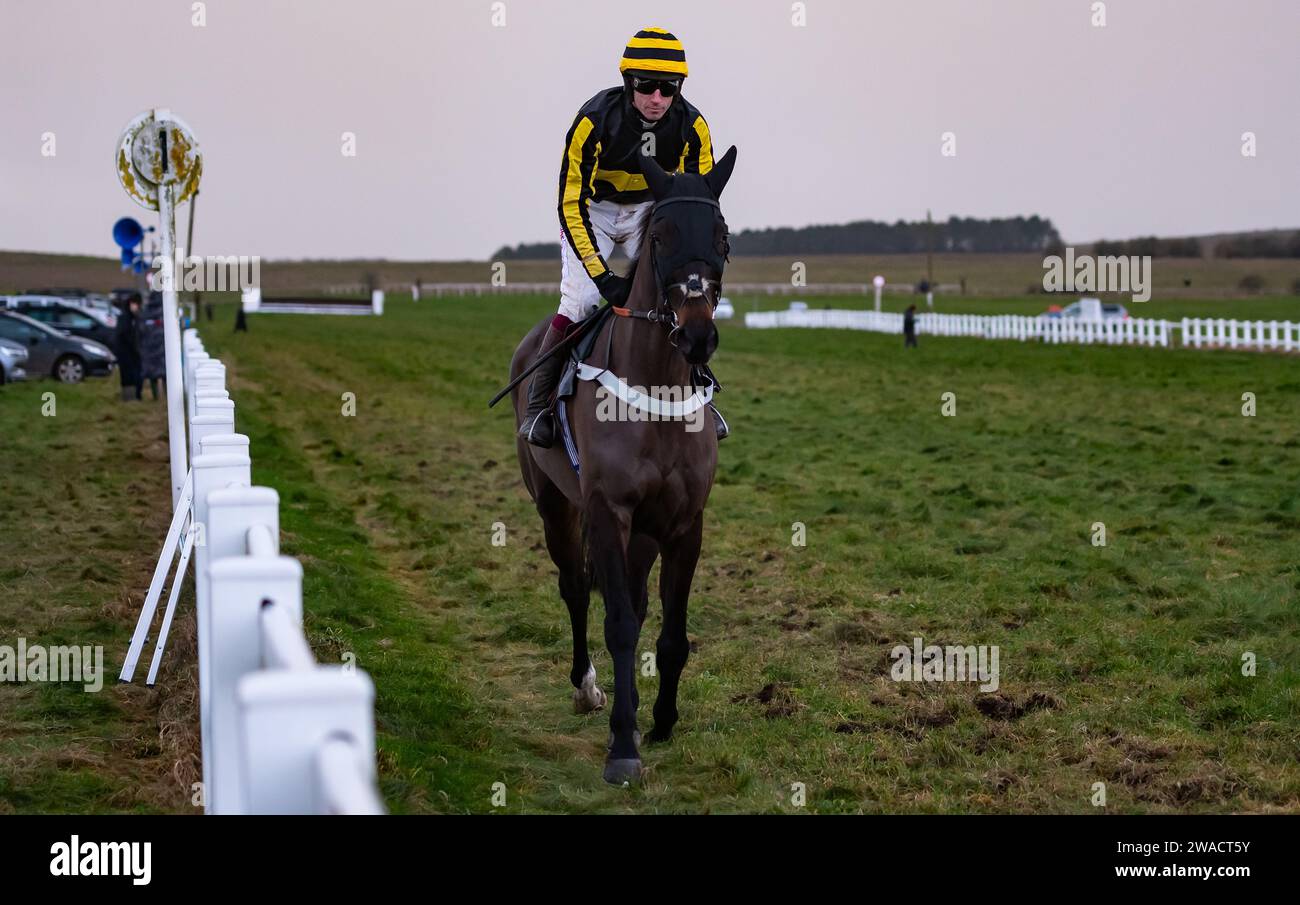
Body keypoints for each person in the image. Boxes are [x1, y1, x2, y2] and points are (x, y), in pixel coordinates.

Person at [518, 27, 729, 448]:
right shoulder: (593, 121)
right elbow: (570, 204)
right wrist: (603, 277)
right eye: (646, 86)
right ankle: (539, 406)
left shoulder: (694, 127)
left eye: (668, 89)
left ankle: (700, 385)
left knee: (680, 296)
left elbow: (696, 203)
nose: (657, 99)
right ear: (628, 82)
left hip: (649, 211)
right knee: (580, 301)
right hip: (592, 209)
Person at [113, 294, 143, 401]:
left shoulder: (132, 317)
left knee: (134, 374)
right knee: (129, 375)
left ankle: (134, 396)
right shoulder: (126, 318)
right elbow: (125, 335)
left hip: (132, 352)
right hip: (126, 353)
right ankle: (130, 397)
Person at [139, 290, 167, 399]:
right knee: (167, 374)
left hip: (149, 349)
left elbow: (141, 330)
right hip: (164, 349)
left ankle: (156, 397)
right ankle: (168, 396)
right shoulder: (165, 311)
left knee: (152, 375)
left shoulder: (146, 313)